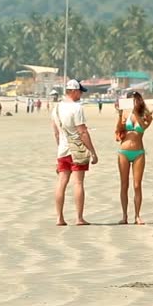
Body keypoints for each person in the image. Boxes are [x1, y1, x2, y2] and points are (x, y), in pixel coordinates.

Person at [51, 79, 98, 226]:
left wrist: (60, 149)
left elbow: (56, 133)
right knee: (78, 183)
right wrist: (93, 152)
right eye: (80, 92)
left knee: (61, 183)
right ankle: (79, 218)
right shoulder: (77, 108)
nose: (81, 95)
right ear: (74, 91)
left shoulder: (56, 108)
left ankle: (59, 218)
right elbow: (82, 132)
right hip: (76, 150)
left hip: (62, 151)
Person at [115, 91, 153, 225]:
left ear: (139, 100)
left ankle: (137, 215)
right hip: (124, 151)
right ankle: (124, 216)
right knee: (124, 185)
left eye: (134, 100)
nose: (132, 102)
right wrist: (120, 114)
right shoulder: (125, 114)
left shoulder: (146, 115)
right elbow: (118, 131)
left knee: (137, 185)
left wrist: (135, 112)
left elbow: (143, 126)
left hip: (138, 152)